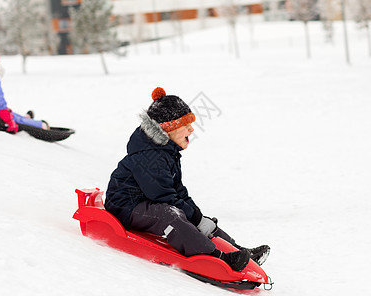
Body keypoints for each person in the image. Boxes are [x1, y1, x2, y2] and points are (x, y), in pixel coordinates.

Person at [105, 87, 270, 272]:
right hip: (126, 206)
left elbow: (178, 191)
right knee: (170, 216)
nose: (191, 129)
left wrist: (199, 218)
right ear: (168, 128)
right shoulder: (150, 157)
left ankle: (236, 249)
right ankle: (217, 258)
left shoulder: (168, 151)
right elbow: (164, 197)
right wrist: (196, 219)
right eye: (186, 125)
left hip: (149, 201)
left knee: (195, 216)